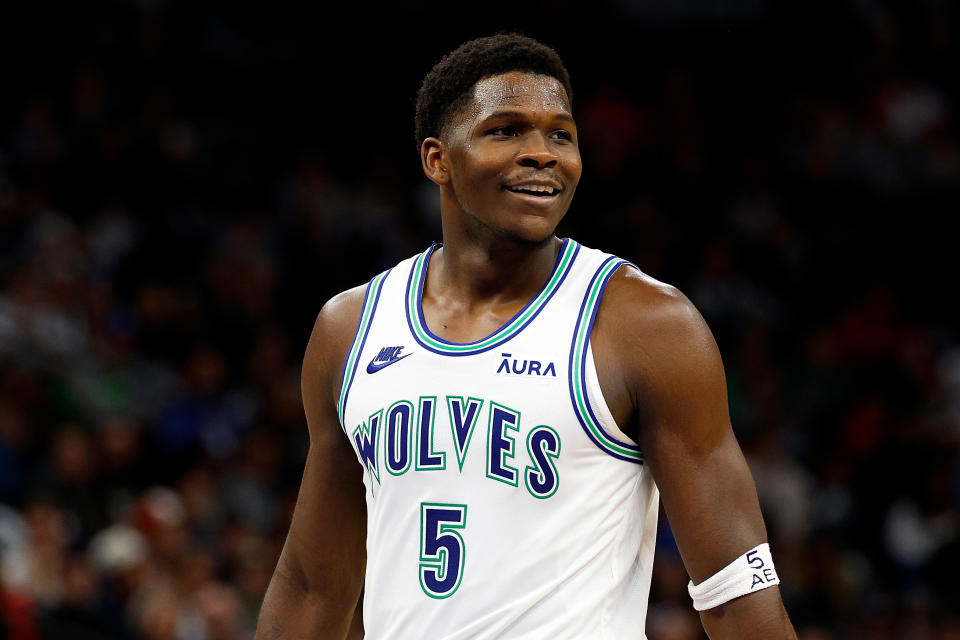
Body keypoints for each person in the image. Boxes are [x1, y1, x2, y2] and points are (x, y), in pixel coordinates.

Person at [256, 34, 797, 639]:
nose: (543, 154)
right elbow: (311, 586)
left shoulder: (646, 325)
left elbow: (734, 583)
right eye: (506, 130)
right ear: (438, 160)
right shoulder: (349, 328)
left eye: (560, 134)